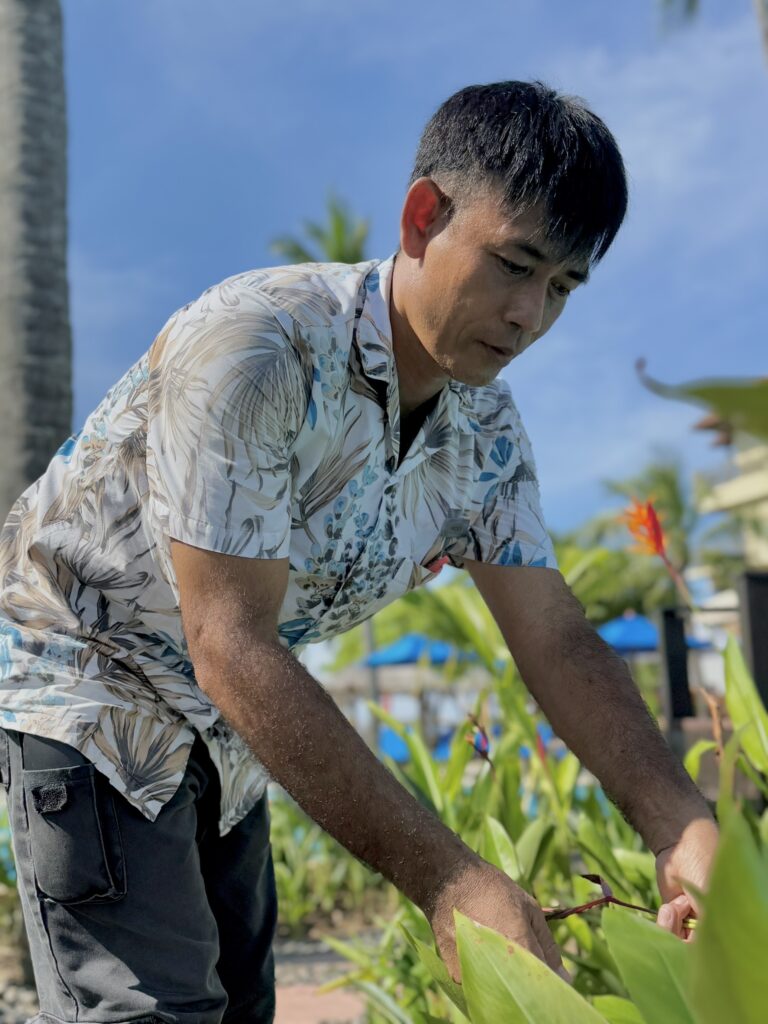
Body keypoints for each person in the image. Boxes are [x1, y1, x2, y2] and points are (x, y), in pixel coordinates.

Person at [0, 80, 718, 1022]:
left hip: (230, 733)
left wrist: (683, 823)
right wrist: (451, 880)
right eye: (514, 264)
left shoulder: (485, 431)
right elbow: (228, 640)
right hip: (91, 693)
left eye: (562, 288)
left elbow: (556, 640)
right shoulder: (257, 343)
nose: (530, 317)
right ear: (424, 216)